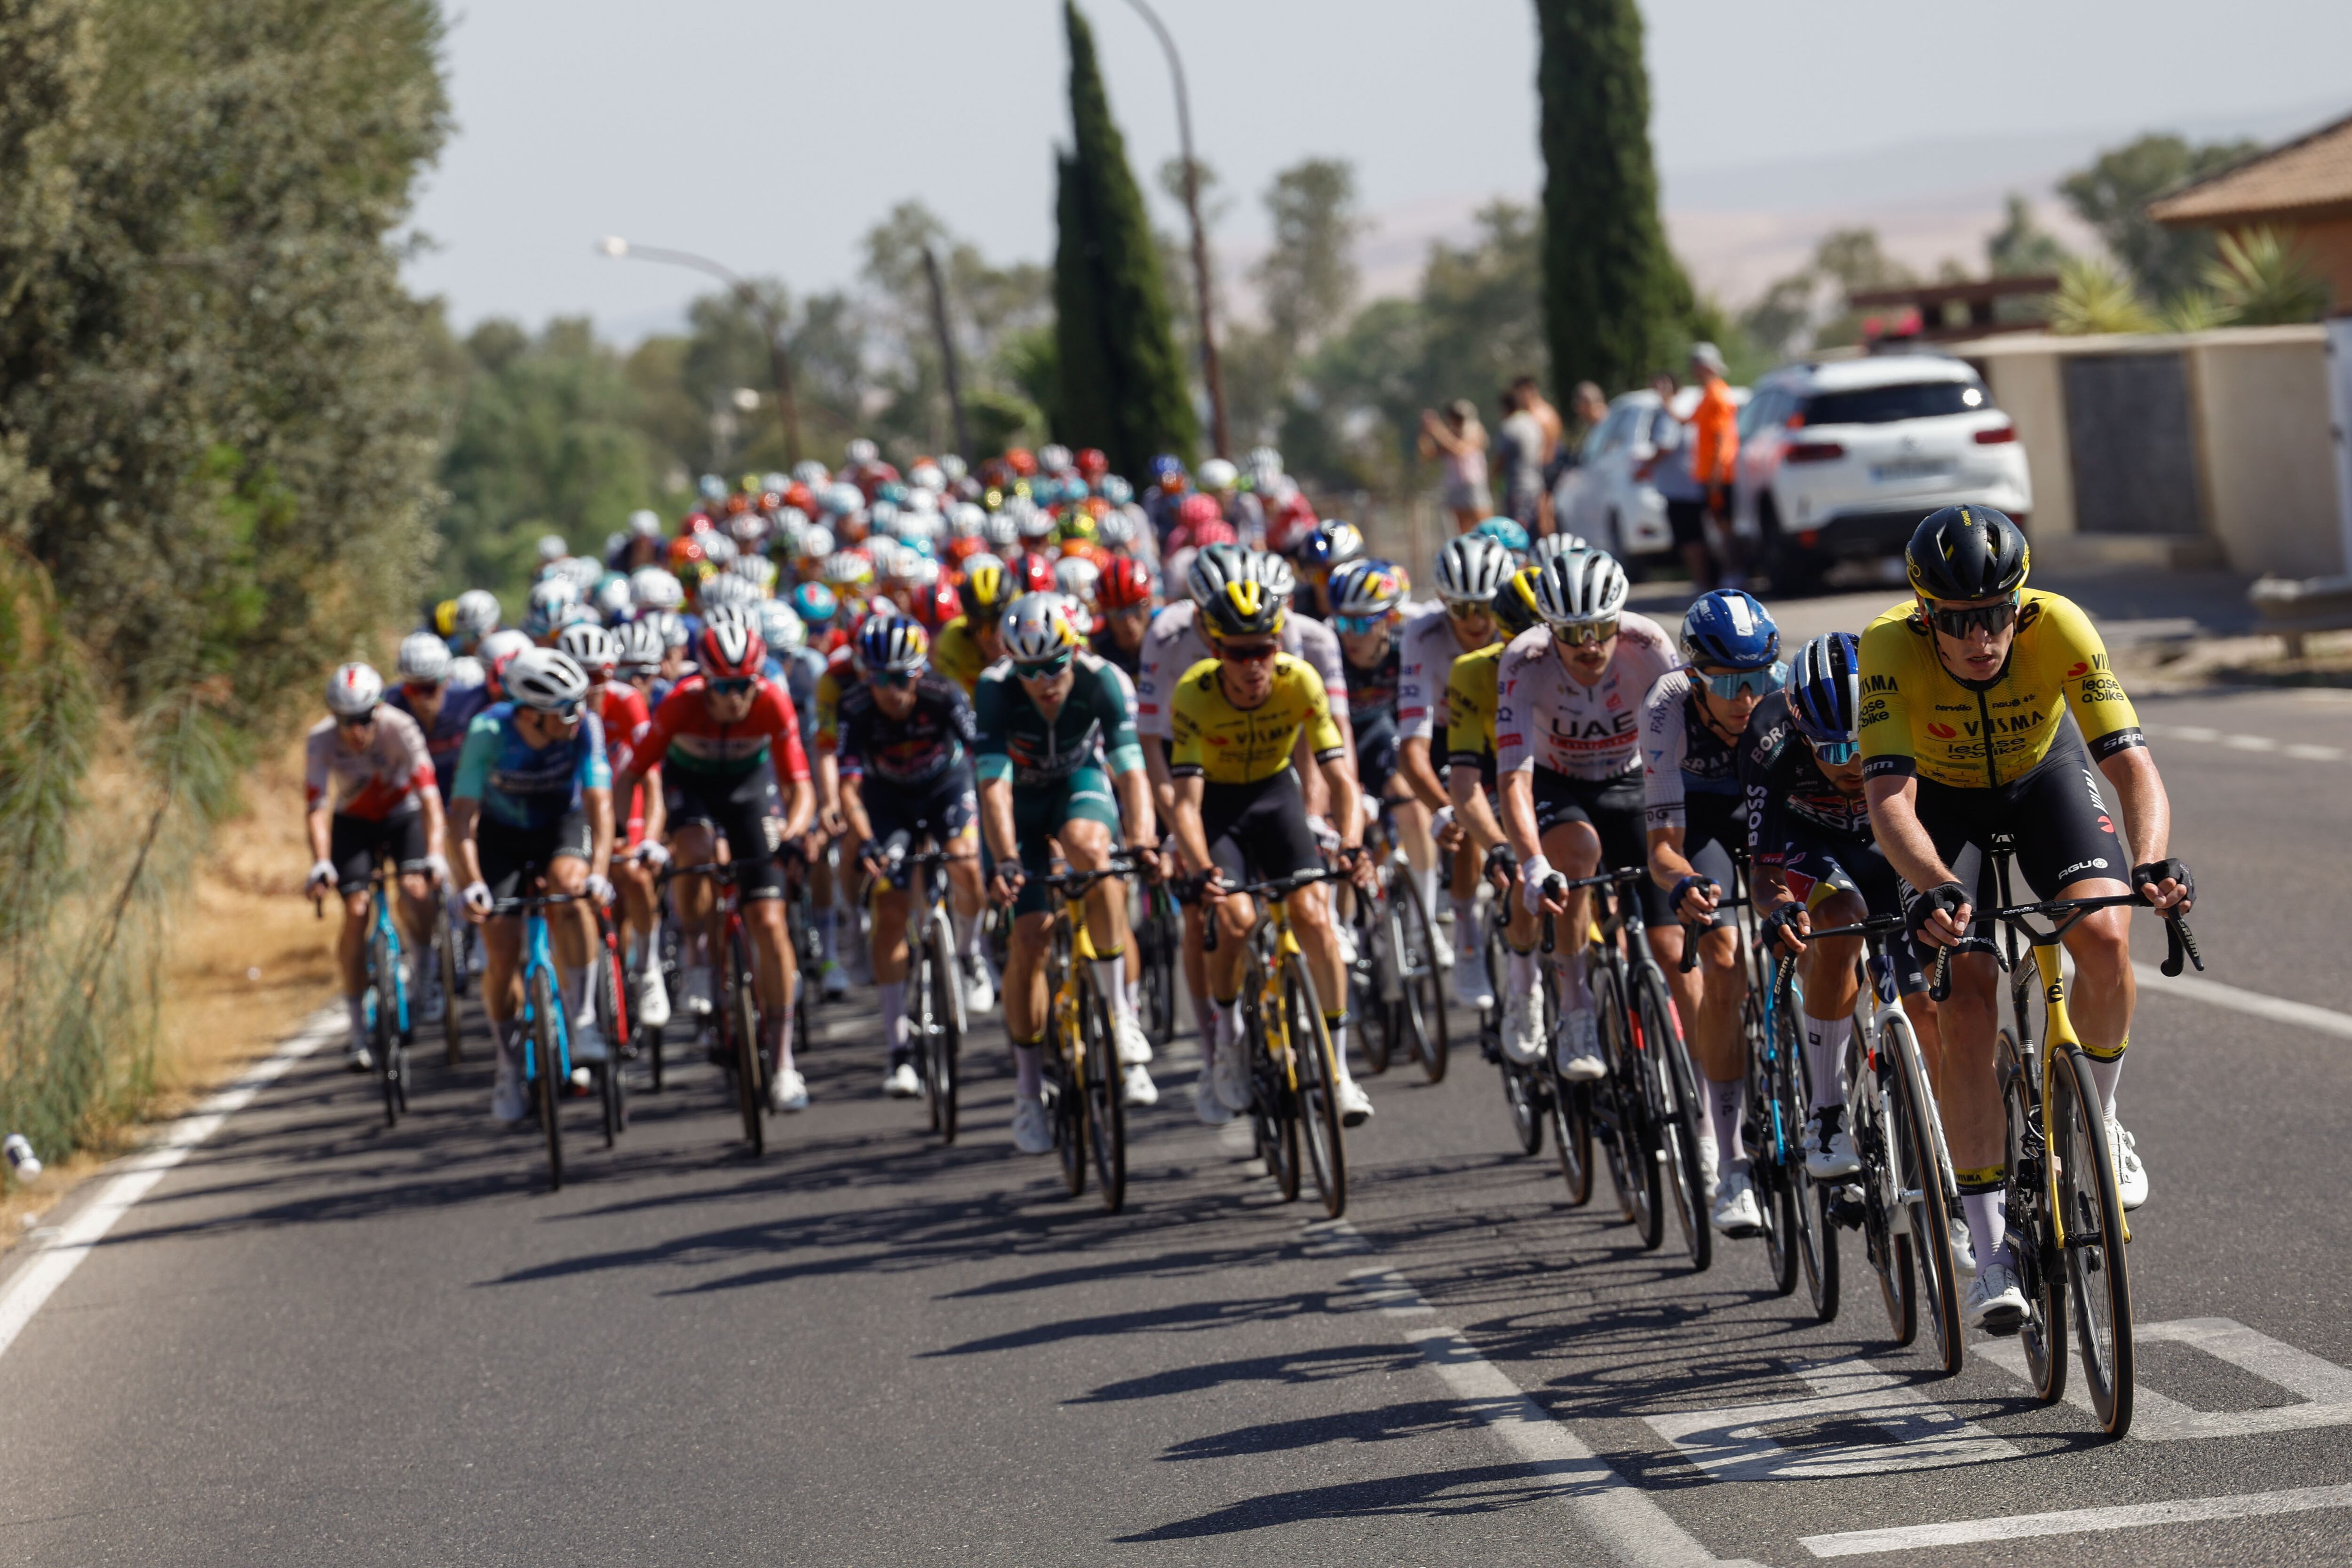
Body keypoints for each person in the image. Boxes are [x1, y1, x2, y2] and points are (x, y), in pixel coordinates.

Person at [1859, 504, 2189, 1331]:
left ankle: (2101, 1118)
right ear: (1928, 612)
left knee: (2108, 936)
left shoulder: (2061, 626)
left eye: (1999, 614)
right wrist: (1933, 883)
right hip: (1941, 804)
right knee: (1962, 995)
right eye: (1963, 621)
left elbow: (2133, 767)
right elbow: (1889, 802)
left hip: (2044, 779)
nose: (1984, 638)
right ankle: (1992, 1248)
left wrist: (2150, 861)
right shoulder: (1889, 646)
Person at [1740, 632, 1943, 1211]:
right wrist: (1779, 909)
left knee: (1923, 1003)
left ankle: (1944, 1147)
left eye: (1860, 746)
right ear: (1802, 733)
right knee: (1838, 920)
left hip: (1886, 840)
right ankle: (1825, 1112)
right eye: (1831, 752)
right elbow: (1762, 872)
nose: (1851, 764)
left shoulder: (1905, 713)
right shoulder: (1769, 737)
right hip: (1809, 843)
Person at [1167, 577, 1378, 1127]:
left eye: (1264, 648)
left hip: (1274, 796)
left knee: (1313, 915)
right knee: (1233, 921)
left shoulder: (1299, 682)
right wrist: (1202, 867)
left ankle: (1337, 1071)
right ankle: (1230, 1041)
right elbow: (1185, 805)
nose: (1253, 664)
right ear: (1217, 652)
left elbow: (1340, 778)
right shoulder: (1193, 692)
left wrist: (1352, 841)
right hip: (1217, 808)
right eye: (1239, 654)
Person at [977, 596, 1162, 1150]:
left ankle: (1119, 1013)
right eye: (1029, 670)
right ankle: (1028, 1092)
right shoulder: (993, 689)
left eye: (1055, 664)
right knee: (1029, 940)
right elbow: (993, 787)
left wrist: (1144, 838)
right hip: (1019, 811)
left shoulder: (1101, 679)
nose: (1045, 680)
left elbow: (1130, 770)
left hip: (1075, 789)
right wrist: (1007, 857)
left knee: (1091, 850)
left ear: (1074, 650)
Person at [612, 620, 816, 1111]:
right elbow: (633, 773)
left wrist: (793, 834)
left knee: (768, 921)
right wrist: (630, 833)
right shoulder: (680, 702)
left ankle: (786, 1063)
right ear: (704, 680)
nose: (734, 699)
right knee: (696, 852)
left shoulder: (771, 701)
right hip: (693, 791)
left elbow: (799, 786)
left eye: (744, 685)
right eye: (723, 688)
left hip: (749, 792)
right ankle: (697, 955)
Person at [1494, 549, 1678, 1079]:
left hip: (1630, 779)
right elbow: (1512, 777)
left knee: (1667, 943)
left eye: (1601, 628)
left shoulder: (1647, 644)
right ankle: (1575, 1010)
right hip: (1559, 783)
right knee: (1575, 855)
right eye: (1572, 634)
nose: (1590, 646)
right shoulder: (1523, 659)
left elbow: (1686, 747)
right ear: (1548, 628)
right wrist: (1532, 864)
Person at [1641, 589, 1784, 1234]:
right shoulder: (1666, 706)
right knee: (1723, 958)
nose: (1745, 697)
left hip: (1768, 808)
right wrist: (1684, 886)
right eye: (1727, 682)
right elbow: (1662, 850)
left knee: (1822, 928)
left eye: (1757, 679)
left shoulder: (1786, 701)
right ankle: (1731, 1162)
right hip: (1696, 818)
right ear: (1695, 674)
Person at [447, 649, 614, 1122]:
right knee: (499, 950)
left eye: (580, 703)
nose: (577, 715)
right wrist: (471, 883)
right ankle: (506, 1064)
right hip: (500, 833)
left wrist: (599, 871)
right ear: (531, 714)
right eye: (565, 708)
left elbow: (600, 805)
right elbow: (461, 816)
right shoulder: (489, 733)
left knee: (570, 887)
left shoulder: (585, 727)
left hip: (560, 822)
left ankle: (582, 1021)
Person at [833, 617, 992, 1095]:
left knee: (965, 863)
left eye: (901, 678)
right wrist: (867, 841)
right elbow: (848, 785)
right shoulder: (855, 708)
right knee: (890, 908)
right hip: (887, 803)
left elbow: (983, 756)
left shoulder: (944, 695)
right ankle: (898, 1050)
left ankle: (967, 955)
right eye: (880, 678)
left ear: (919, 674)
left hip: (945, 787)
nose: (891, 691)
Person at [304, 663, 447, 1071]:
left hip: (403, 815)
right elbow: (316, 808)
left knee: (416, 890)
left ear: (379, 710)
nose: (356, 731)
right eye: (346, 721)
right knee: (355, 911)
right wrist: (320, 864)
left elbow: (431, 796)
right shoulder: (320, 740)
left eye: (365, 719)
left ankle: (423, 970)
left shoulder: (400, 727)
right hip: (353, 823)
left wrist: (435, 851)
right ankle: (356, 1031)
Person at [1395, 534, 1515, 1005]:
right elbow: (1412, 750)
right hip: (1448, 736)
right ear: (1442, 601)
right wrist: (1443, 810)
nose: (1475, 621)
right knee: (1465, 824)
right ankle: (1465, 933)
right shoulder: (1421, 635)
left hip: (1503, 731)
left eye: (1485, 607)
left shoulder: (1514, 625)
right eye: (1461, 609)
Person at [384, 633, 492, 1023]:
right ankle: (424, 964)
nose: (421, 698)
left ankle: (478, 929)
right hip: (415, 801)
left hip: (463, 795)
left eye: (430, 688)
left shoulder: (470, 700)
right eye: (413, 688)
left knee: (476, 839)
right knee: (414, 888)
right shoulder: (390, 705)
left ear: (447, 681)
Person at [1687, 343, 1744, 588]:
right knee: (1718, 528)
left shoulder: (1718, 395)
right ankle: (1729, 573)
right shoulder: (1708, 394)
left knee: (1725, 528)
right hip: (1711, 475)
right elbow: (1689, 420)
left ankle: (1736, 573)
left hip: (1718, 475)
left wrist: (1716, 476)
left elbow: (1722, 438)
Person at [1419, 399, 1491, 533]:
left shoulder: (1475, 430)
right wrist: (1426, 433)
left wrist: (1438, 430)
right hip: (1455, 485)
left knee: (1485, 524)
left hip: (1473, 483)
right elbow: (1429, 455)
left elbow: (1459, 449)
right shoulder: (1449, 434)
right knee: (1463, 528)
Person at [1494, 382, 1552, 534]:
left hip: (1517, 487)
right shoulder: (1533, 423)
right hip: (1536, 483)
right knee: (1537, 528)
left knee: (1518, 531)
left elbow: (1500, 459)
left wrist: (1492, 477)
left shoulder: (1509, 427)